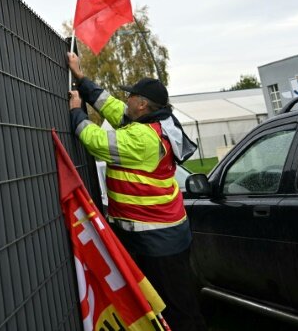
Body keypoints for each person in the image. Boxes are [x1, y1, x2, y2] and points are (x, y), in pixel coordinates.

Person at [66, 51, 207, 331]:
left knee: (176, 308)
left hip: (157, 239)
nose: (126, 99)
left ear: (142, 104)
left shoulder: (143, 137)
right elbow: (111, 106)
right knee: (168, 301)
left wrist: (76, 111)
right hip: (160, 233)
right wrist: (81, 78)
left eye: (131, 96)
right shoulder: (151, 122)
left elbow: (96, 142)